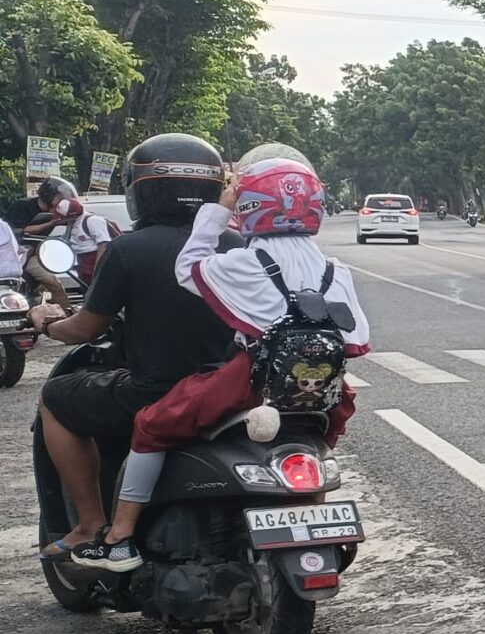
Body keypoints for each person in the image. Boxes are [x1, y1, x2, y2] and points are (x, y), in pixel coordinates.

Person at [93, 148, 372, 560]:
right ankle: (313, 515)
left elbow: (189, 269)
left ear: (249, 206)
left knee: (152, 425)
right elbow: (357, 340)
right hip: (324, 390)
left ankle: (119, 536)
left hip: (251, 382)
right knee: (317, 437)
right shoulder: (335, 270)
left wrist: (218, 211)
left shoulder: (245, 261)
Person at [28, 135, 238, 571]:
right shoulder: (237, 244)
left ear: (142, 190)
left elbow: (86, 329)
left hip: (157, 393)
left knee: (55, 398)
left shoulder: (130, 248)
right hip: (233, 392)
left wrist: (47, 322)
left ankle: (90, 524)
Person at [7, 176, 69, 307]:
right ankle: (67, 314)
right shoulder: (22, 207)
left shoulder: (54, 212)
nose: (61, 201)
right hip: (21, 255)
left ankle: (63, 314)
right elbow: (22, 230)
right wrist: (52, 223)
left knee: (51, 286)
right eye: (59, 197)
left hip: (39, 253)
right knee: (54, 285)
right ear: (49, 195)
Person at [37, 178, 115, 279]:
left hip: (93, 264)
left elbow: (104, 245)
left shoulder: (92, 221)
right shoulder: (72, 225)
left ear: (72, 216)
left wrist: (98, 271)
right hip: (82, 266)